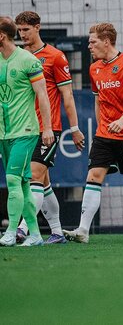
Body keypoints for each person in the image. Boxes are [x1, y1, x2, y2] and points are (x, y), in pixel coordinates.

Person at [62, 23, 123, 244]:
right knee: (93, 176)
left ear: (106, 41)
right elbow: (98, 99)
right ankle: (83, 230)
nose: (89, 46)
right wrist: (100, 126)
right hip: (105, 135)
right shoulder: (95, 68)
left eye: (93, 42)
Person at [13, 11, 85, 244]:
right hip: (23, 128)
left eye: (26, 29)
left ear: (38, 28)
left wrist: (74, 129)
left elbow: (67, 95)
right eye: (19, 30)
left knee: (33, 176)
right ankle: (56, 231)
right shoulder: (18, 57)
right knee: (42, 182)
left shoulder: (55, 57)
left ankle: (22, 229)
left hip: (47, 128)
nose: (22, 34)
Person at [0, 16, 55, 246]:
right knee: (22, 184)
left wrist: (48, 128)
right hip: (5, 133)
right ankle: (34, 234)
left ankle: (11, 232)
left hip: (26, 130)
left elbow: (43, 95)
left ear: (1, 36)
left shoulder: (28, 60)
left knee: (12, 179)